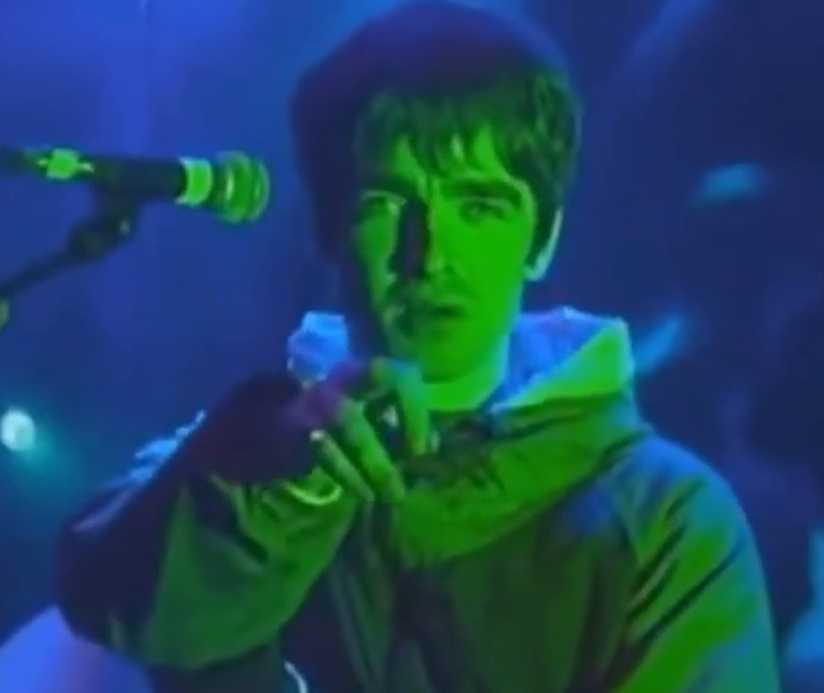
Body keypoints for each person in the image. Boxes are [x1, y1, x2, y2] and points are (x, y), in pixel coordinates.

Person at [54, 2, 780, 691]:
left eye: (479, 206)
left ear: (542, 238)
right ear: (328, 228)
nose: (428, 252)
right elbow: (106, 596)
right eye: (386, 203)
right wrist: (283, 485)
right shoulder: (258, 452)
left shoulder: (663, 518)